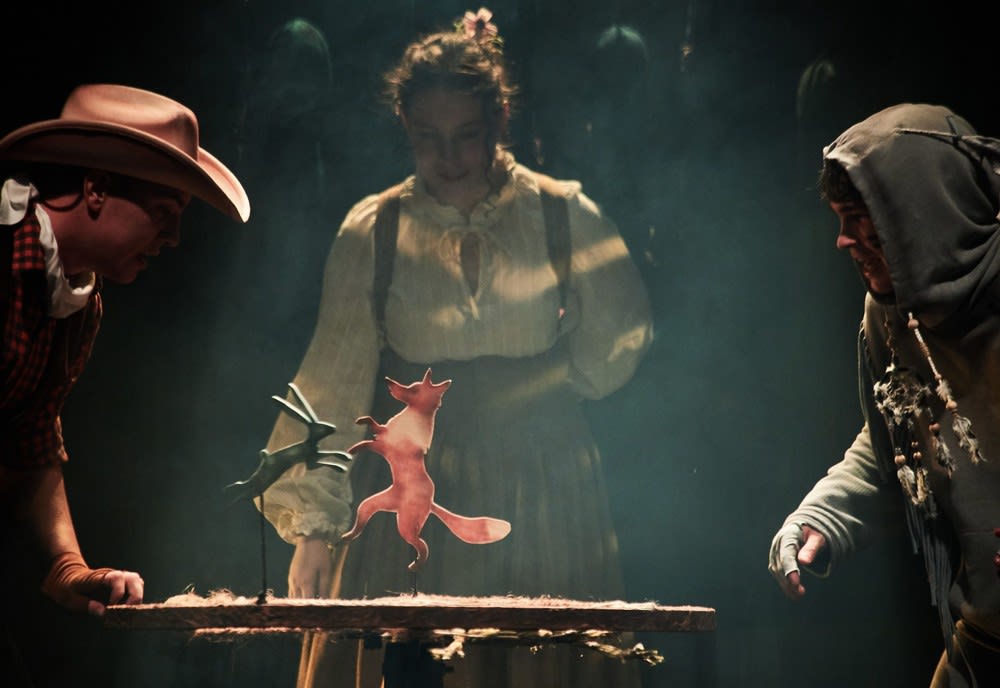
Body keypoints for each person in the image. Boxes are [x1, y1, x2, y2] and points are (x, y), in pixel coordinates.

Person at [259, 8, 653, 687]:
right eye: (428, 138)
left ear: (499, 121)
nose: (448, 158)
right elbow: (331, 379)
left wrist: (541, 394)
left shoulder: (560, 214)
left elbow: (620, 336)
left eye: (467, 136)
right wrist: (315, 531)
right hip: (414, 488)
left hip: (539, 489)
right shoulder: (376, 230)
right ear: (405, 127)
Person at [0, 83, 248, 679]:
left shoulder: (78, 303)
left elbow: (31, 437)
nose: (173, 238)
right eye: (164, 213)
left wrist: (67, 565)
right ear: (95, 190)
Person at [768, 102, 1000, 686]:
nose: (844, 241)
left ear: (920, 212)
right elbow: (898, 439)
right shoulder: (892, 316)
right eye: (840, 220)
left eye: (860, 219)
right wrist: (826, 515)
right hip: (985, 640)